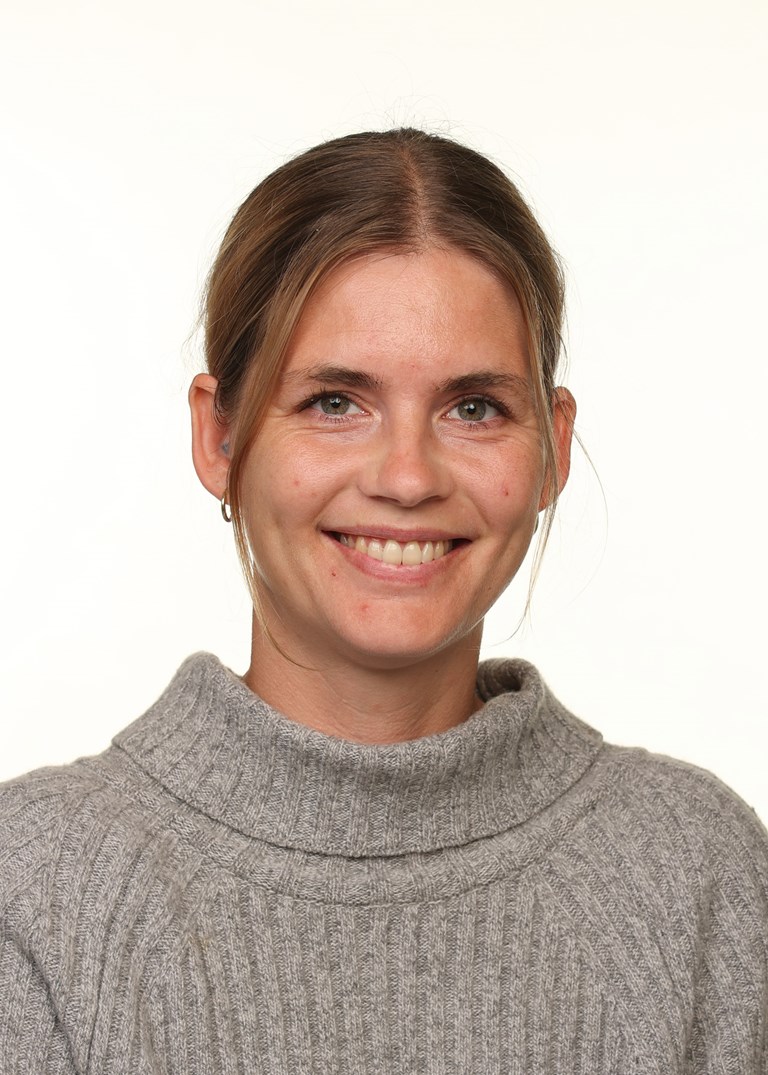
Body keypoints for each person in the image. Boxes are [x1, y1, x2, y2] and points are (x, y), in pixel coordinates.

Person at [1, 128, 766, 1074]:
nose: (407, 477)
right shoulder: (33, 889)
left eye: (474, 407)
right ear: (218, 437)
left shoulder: (700, 872)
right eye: (335, 401)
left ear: (553, 449)